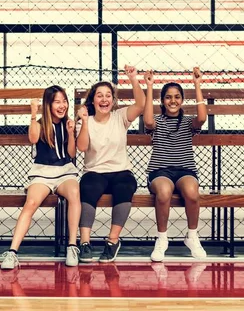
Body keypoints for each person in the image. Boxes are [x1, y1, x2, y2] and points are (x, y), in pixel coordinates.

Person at [1, 85, 81, 269]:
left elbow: (71, 153)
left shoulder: (67, 124)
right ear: (48, 104)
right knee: (30, 203)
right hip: (42, 172)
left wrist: (71, 133)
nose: (62, 106)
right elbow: (33, 138)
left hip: (64, 171)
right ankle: (12, 252)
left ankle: (72, 246)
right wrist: (32, 113)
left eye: (64, 101)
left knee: (75, 193)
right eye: (57, 102)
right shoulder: (39, 123)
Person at [75, 65, 145, 263]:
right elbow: (81, 147)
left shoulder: (120, 116)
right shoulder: (85, 121)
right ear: (93, 100)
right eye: (99, 95)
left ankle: (112, 241)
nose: (104, 99)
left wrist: (133, 78)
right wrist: (85, 122)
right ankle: (85, 243)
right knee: (88, 187)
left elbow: (140, 105)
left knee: (126, 187)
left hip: (120, 171)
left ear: (113, 101)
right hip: (95, 171)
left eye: (108, 96)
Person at [143, 67, 207, 262]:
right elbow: (147, 120)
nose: (173, 101)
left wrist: (197, 85)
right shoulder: (157, 121)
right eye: (168, 97)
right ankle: (162, 238)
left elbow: (202, 118)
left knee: (192, 192)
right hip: (160, 171)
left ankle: (192, 236)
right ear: (162, 101)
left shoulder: (188, 122)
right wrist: (150, 86)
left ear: (182, 100)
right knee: (163, 192)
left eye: (177, 97)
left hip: (185, 170)